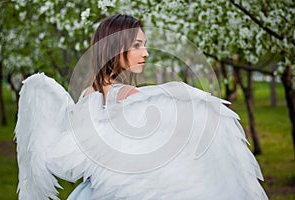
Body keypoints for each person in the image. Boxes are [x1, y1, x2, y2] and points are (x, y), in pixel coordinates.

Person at [15, 14, 268, 200]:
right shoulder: (127, 96)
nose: (145, 52)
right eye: (137, 45)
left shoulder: (87, 95)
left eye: (144, 44)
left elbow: (76, 160)